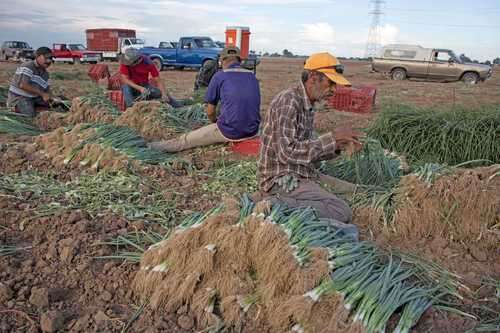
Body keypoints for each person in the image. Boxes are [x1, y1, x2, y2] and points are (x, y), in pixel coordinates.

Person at [257, 52, 363, 237]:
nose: (334, 89)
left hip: (303, 172)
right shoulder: (289, 101)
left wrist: (339, 145)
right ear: (314, 78)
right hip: (282, 178)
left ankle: (288, 204)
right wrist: (332, 138)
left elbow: (307, 150)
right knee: (340, 210)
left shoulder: (308, 104)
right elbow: (287, 153)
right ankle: (274, 204)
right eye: (330, 83)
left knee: (356, 192)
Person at [149, 46, 261, 152]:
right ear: (240, 61)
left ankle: (154, 146)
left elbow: (210, 111)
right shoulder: (252, 76)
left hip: (230, 132)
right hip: (253, 130)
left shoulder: (220, 76)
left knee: (185, 141)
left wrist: (214, 122)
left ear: (222, 61)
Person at [7, 47, 54, 116]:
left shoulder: (46, 74)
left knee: (59, 104)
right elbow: (23, 85)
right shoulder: (28, 66)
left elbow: (47, 90)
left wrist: (52, 97)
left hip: (34, 98)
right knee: (30, 116)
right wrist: (42, 94)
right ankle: (14, 109)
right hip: (19, 98)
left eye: (51, 58)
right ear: (38, 56)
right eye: (46, 58)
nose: (49, 61)